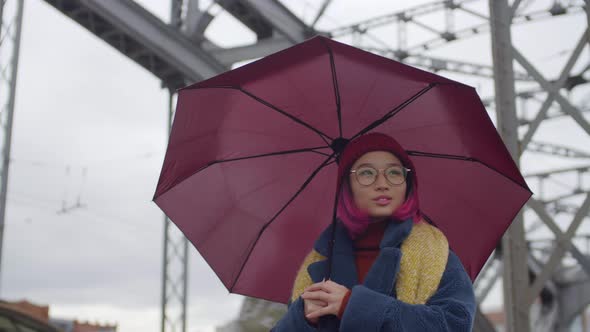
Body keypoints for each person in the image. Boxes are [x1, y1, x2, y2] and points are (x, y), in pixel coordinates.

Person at [272, 132, 476, 331]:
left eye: (394, 172)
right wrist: (303, 319)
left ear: (407, 183)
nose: (382, 184)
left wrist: (352, 305)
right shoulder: (321, 257)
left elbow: (455, 323)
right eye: (366, 173)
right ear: (347, 186)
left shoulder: (434, 253)